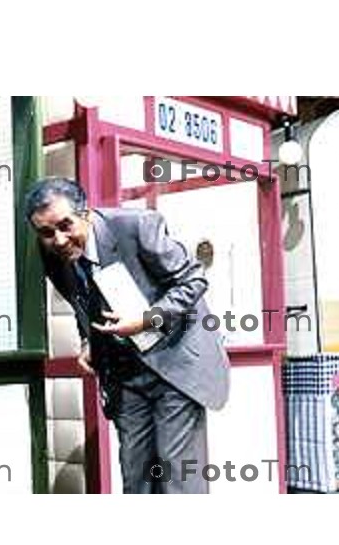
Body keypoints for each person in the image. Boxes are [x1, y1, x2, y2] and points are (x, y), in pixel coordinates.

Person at [25, 177, 230, 494]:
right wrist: (86, 342)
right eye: (47, 232)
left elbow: (193, 280)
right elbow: (83, 300)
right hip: (125, 376)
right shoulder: (52, 253)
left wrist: (147, 319)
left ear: (87, 214)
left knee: (178, 477)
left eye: (66, 225)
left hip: (175, 366)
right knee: (137, 478)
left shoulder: (137, 226)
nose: (60, 239)